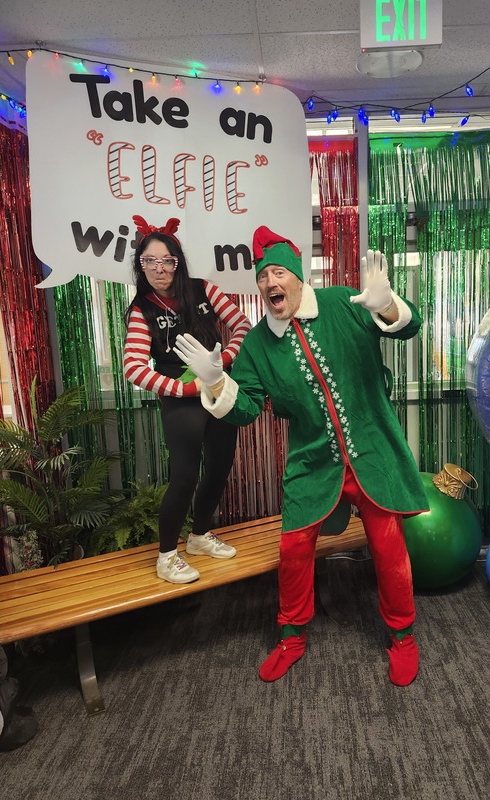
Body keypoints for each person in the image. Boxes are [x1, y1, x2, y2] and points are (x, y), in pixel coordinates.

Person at [173, 226, 429, 685]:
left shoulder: (343, 304)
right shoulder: (255, 347)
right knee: (293, 548)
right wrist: (215, 380)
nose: (271, 282)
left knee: (389, 547)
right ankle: (291, 637)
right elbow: (246, 408)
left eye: (278, 273)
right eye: (263, 276)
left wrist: (387, 306)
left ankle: (403, 636)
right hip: (313, 461)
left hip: (371, 451)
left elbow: (410, 327)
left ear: (296, 278)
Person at [123, 215, 251, 584]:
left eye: (166, 260)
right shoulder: (141, 309)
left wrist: (221, 361)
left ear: (178, 262)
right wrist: (181, 388)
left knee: (221, 464)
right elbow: (132, 365)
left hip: (218, 388)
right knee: (184, 475)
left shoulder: (203, 290)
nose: (159, 268)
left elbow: (242, 325)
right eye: (150, 261)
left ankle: (198, 537)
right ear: (140, 265)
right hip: (180, 397)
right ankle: (166, 557)